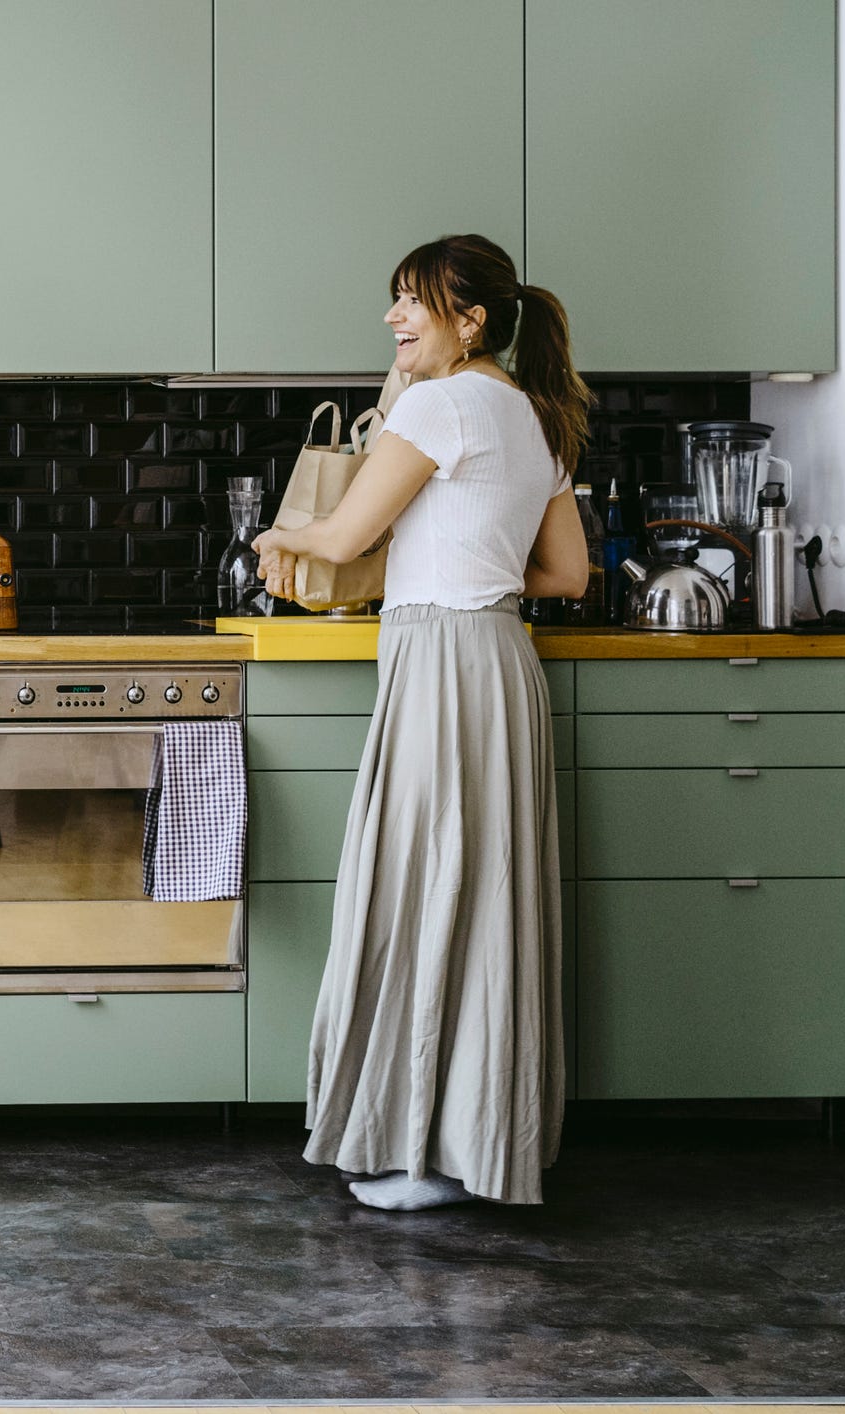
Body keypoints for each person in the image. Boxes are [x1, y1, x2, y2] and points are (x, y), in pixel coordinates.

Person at [251, 234, 591, 1210]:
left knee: (420, 889)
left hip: (439, 658)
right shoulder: (533, 413)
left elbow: (347, 533)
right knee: (482, 898)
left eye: (412, 301)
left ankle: (413, 1152)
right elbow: (566, 575)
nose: (394, 317)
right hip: (501, 658)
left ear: (469, 319)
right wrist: (471, 556)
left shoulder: (440, 405)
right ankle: (472, 1143)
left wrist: (279, 534)